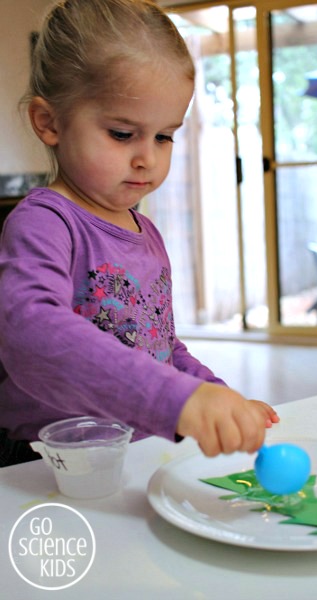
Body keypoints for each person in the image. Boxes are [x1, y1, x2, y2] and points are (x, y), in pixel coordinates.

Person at [0, 0, 279, 467]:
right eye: (122, 134)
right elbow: (30, 333)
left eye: (165, 136)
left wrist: (212, 395)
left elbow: (159, 347)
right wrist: (176, 401)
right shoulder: (46, 222)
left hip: (125, 454)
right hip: (45, 462)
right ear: (49, 123)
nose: (147, 158)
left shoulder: (144, 230)